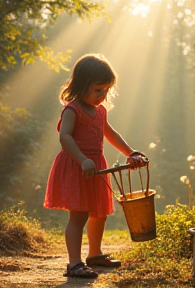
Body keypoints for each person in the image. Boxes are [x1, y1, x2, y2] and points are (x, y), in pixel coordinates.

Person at [44, 53, 146, 278]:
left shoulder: (100, 111)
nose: (103, 95)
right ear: (81, 86)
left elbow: (111, 134)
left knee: (99, 213)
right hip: (77, 166)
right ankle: (74, 264)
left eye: (106, 90)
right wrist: (82, 159)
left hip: (97, 167)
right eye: (98, 89)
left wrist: (130, 153)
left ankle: (95, 254)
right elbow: (65, 137)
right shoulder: (72, 109)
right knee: (78, 216)